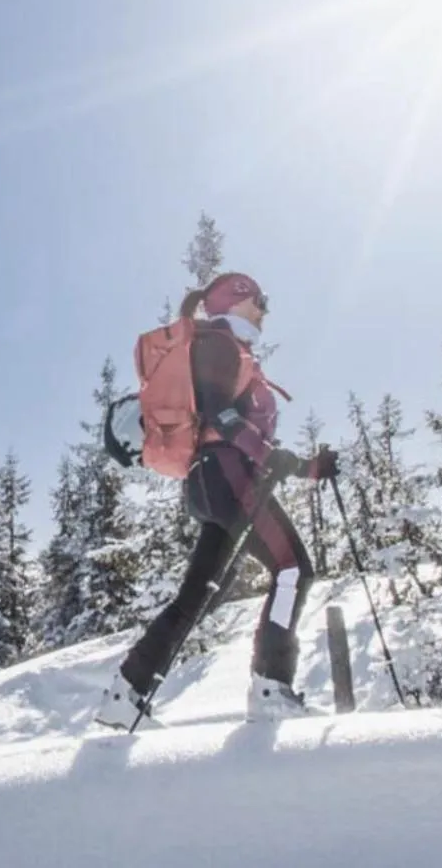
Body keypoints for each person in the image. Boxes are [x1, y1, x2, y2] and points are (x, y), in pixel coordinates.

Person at [94, 272, 337, 729]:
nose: (265, 310)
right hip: (230, 477)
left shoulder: (229, 348)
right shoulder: (220, 345)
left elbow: (230, 421)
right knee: (292, 569)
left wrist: (308, 467)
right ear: (235, 301)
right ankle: (271, 686)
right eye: (259, 300)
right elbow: (219, 413)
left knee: (204, 591)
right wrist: (271, 456)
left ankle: (125, 696)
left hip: (215, 480)